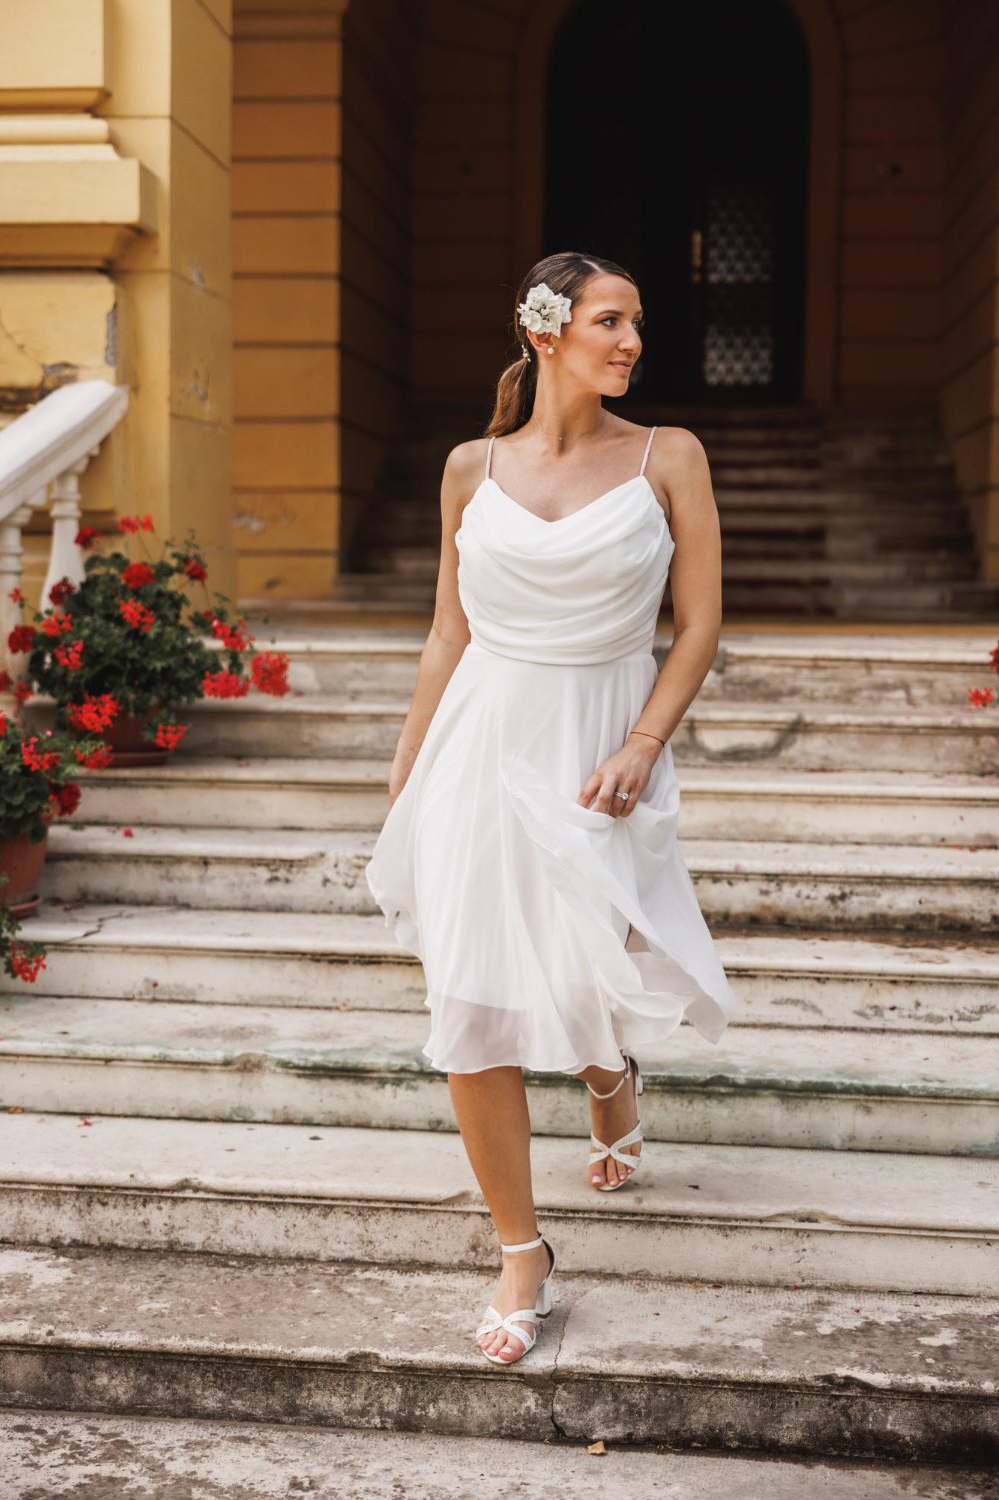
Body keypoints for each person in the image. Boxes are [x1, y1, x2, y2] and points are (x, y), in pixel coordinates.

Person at [365, 250, 738, 1368]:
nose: (630, 343)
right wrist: (407, 762)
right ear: (546, 332)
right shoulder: (467, 469)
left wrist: (641, 744)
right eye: (610, 322)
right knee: (474, 1002)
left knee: (589, 969)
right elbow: (448, 630)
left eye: (636, 325)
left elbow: (702, 624)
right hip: (481, 743)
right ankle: (521, 1249)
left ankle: (610, 1083)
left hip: (600, 744)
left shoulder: (668, 456)